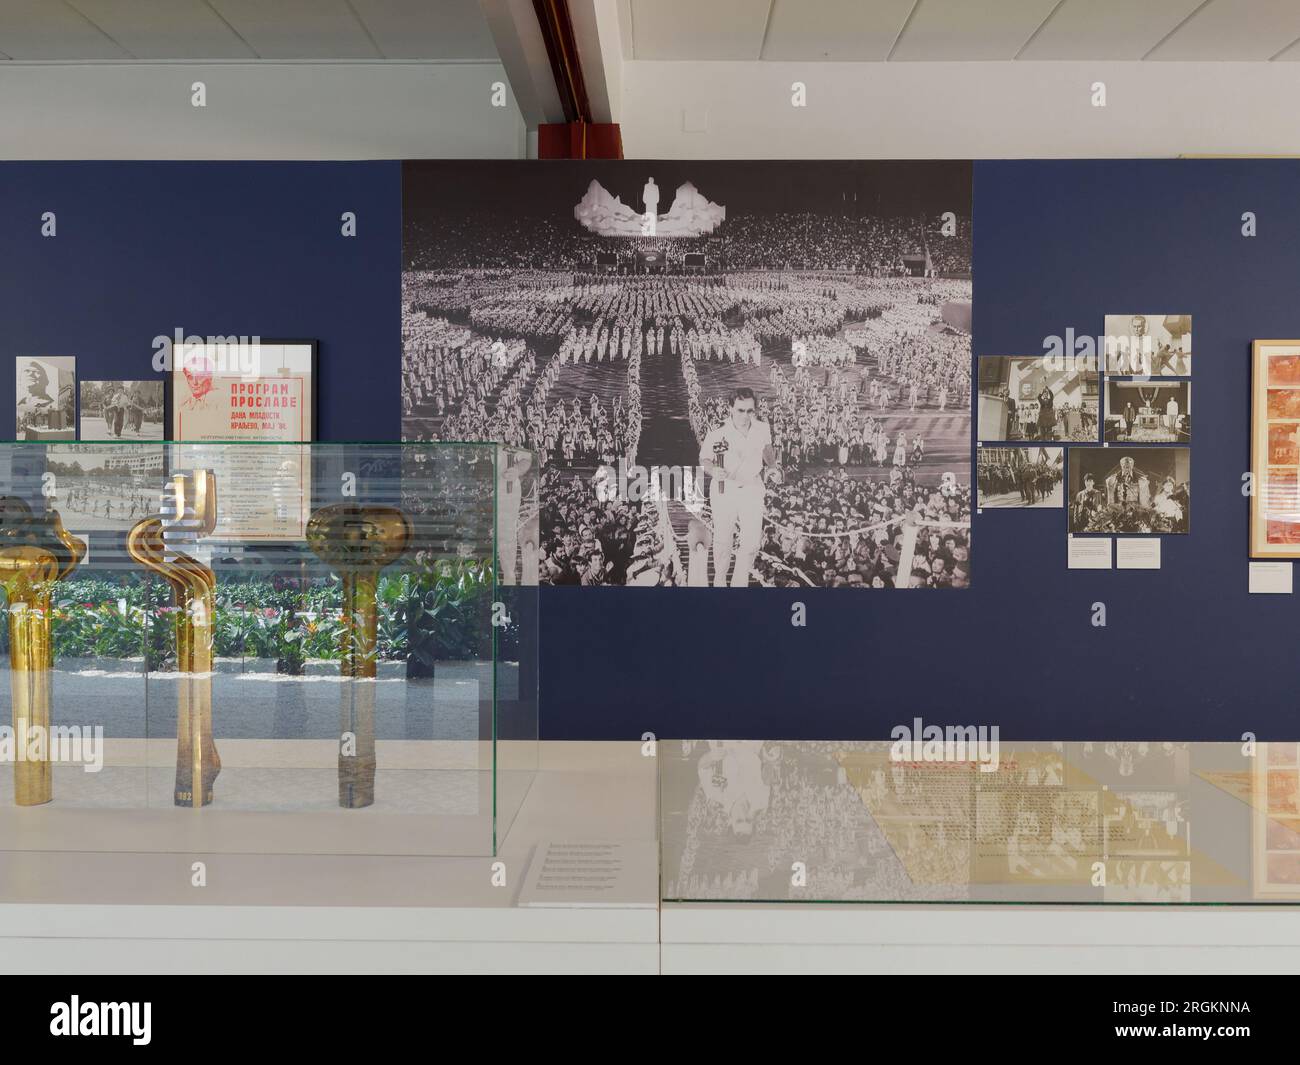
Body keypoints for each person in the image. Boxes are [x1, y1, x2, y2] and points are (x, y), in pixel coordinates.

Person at [700, 388, 771, 589]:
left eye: (750, 411)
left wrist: (773, 466)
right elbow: (704, 459)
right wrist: (713, 470)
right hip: (725, 489)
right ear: (731, 408)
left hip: (752, 487)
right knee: (723, 541)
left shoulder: (762, 428)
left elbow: (767, 448)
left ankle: (740, 584)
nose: (745, 416)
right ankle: (720, 581)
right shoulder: (717, 432)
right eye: (740, 410)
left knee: (752, 543)